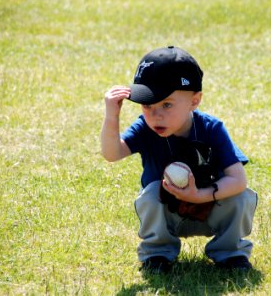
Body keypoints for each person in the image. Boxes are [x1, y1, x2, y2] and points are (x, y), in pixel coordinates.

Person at [101, 46, 257, 273]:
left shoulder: (211, 128)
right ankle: (157, 254)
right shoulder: (146, 128)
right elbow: (112, 153)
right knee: (152, 193)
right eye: (148, 105)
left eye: (167, 104)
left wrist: (200, 195)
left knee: (241, 196)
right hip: (168, 214)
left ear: (194, 101)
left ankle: (231, 254)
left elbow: (238, 179)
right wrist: (111, 115)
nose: (156, 114)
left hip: (211, 207)